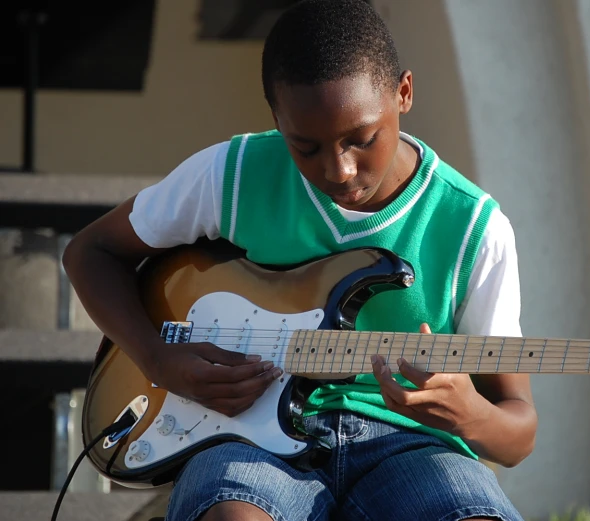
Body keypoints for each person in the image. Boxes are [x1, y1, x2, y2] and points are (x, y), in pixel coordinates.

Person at [63, 0, 537, 519]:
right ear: (276, 118)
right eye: (305, 147)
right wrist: (157, 358)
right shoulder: (234, 173)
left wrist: (469, 415)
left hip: (412, 447)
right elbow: (91, 252)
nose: (338, 169)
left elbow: (518, 432)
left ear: (403, 92)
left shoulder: (473, 228)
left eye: (361, 139)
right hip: (245, 438)